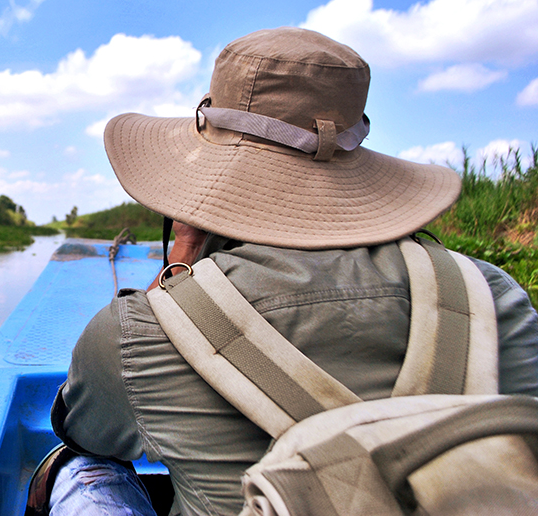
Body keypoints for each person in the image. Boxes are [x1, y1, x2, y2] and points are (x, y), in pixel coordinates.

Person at [33, 27, 538, 516]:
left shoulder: (141, 332)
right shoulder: (492, 295)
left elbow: (84, 429)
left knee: (79, 467)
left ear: (192, 192)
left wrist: (177, 270)